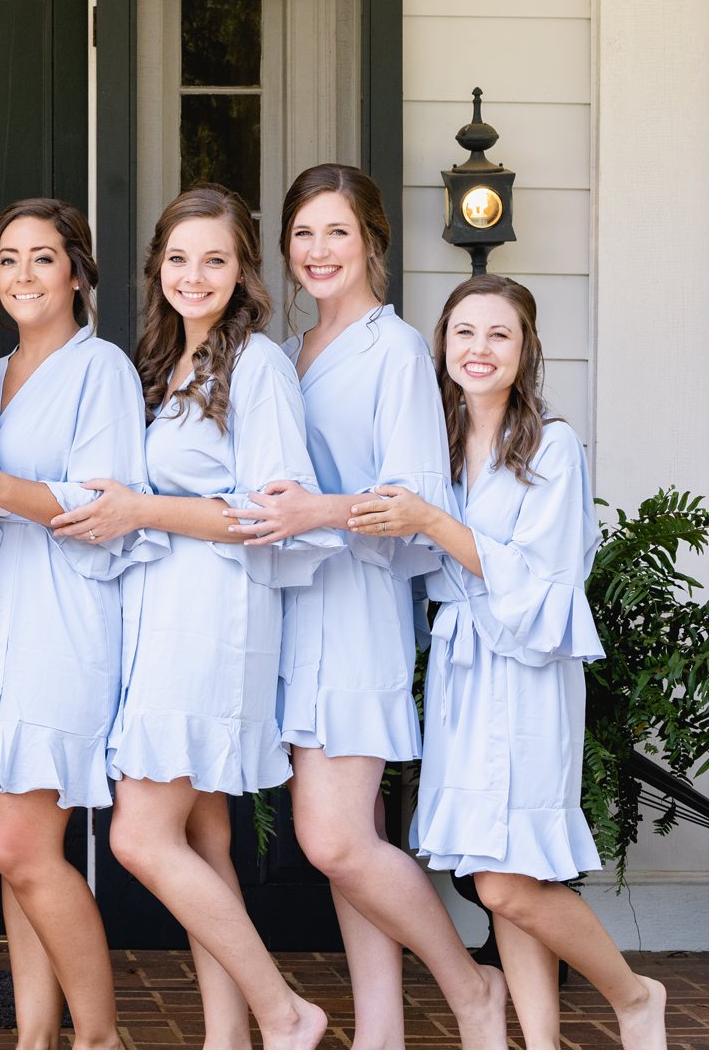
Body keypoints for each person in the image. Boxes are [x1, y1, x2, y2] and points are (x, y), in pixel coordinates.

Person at [219, 165, 508, 1047]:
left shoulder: (393, 351)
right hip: (288, 614)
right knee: (359, 838)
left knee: (335, 839)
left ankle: (470, 985)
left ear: (372, 240)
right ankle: (380, 1032)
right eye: (302, 235)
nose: (317, 252)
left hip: (355, 611)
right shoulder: (286, 351)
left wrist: (317, 510)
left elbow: (417, 498)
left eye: (336, 232)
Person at [349, 274, 668, 1050]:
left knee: (504, 878)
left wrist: (427, 517)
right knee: (510, 879)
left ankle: (634, 994)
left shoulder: (550, 445)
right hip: (464, 675)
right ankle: (540, 1042)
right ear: (443, 345)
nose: (479, 349)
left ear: (526, 350)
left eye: (499, 334)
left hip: (525, 674)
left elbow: (543, 581)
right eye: (464, 332)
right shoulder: (439, 448)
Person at [53, 185, 336, 1049]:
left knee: (141, 833)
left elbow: (268, 513)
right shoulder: (164, 357)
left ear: (242, 267)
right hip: (157, 613)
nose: (194, 274)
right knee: (203, 835)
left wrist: (141, 507)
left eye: (215, 258)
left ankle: (286, 1011)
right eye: (179, 258)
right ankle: (227, 1037)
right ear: (157, 268)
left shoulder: (257, 366)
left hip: (214, 617)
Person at [0, 198, 163, 1048]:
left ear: (77, 271)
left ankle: (100, 1036)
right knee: (20, 855)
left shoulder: (102, 370)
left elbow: (103, 504)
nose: (22, 275)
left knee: (19, 845)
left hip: (62, 624)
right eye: (8, 259)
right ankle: (33, 1035)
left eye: (42, 257)